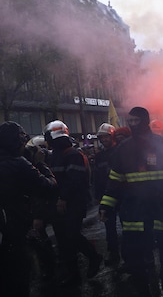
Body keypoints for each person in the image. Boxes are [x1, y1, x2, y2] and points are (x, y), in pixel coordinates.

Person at [99, 107, 163, 296]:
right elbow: (114, 180)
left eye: (135, 121)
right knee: (136, 259)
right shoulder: (123, 149)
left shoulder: (162, 145)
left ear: (145, 121)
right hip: (134, 212)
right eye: (129, 121)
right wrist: (106, 204)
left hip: (161, 208)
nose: (132, 124)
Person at [0, 121, 57, 297]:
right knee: (18, 281)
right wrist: (40, 164)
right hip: (14, 232)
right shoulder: (19, 164)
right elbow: (50, 187)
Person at [44, 120, 103, 287]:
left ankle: (94, 256)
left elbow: (74, 181)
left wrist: (63, 198)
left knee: (71, 235)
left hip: (74, 203)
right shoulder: (56, 155)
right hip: (59, 203)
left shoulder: (73, 155)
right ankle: (73, 274)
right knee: (63, 240)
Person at [93, 123, 121, 266]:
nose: (104, 140)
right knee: (109, 227)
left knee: (127, 225)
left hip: (122, 194)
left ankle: (130, 256)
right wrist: (99, 196)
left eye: (106, 136)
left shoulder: (121, 152)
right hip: (107, 196)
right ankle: (113, 253)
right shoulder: (100, 157)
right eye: (101, 137)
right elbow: (97, 178)